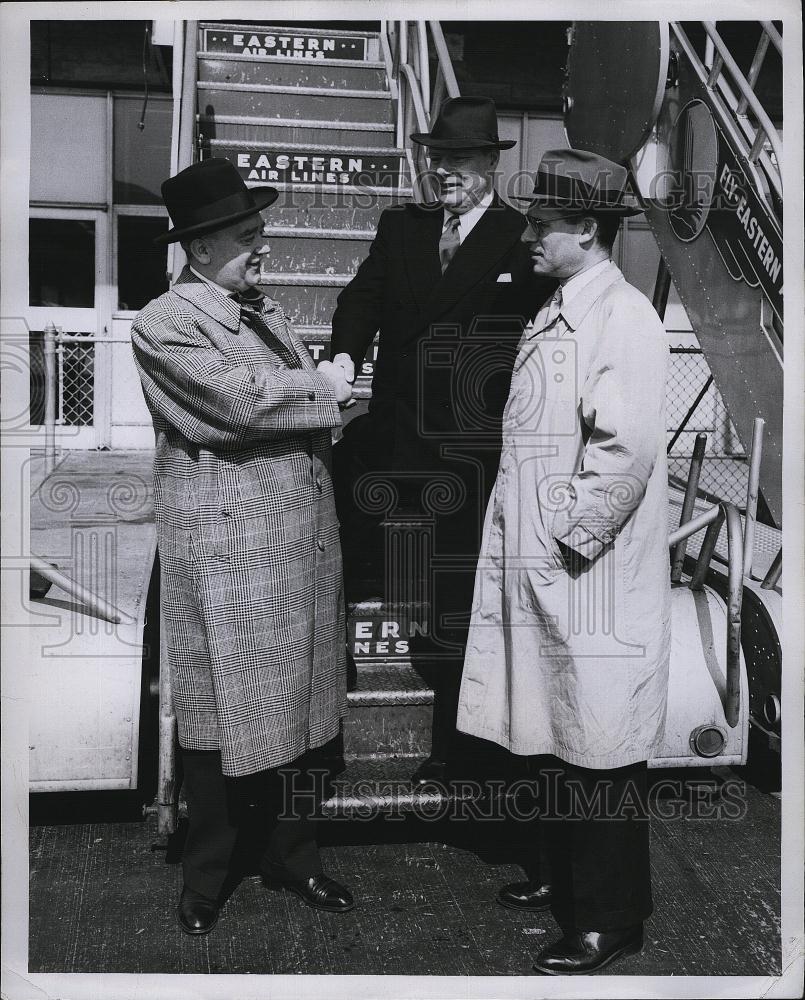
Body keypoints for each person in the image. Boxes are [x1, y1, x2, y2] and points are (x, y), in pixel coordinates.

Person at [456, 148, 671, 974]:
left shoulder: (621, 318)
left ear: (586, 229)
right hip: (554, 570)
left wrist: (559, 546)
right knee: (563, 731)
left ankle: (610, 919)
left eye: (542, 224)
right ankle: (567, 883)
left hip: (589, 574)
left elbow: (623, 453)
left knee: (601, 745)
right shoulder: (564, 308)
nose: (529, 239)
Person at [131, 157, 355, 935]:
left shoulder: (259, 311)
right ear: (198, 249)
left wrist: (325, 390)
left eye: (259, 232)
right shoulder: (165, 323)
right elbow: (240, 404)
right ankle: (206, 878)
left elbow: (276, 402)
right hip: (233, 558)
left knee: (294, 720)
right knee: (219, 721)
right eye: (247, 236)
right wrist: (326, 389)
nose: (263, 247)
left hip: (294, 547)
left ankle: (295, 857)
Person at [330, 96, 555, 788]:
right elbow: (361, 298)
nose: (445, 172)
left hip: (467, 457)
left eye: (459, 160)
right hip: (393, 441)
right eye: (437, 159)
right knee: (327, 525)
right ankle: (321, 708)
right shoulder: (402, 224)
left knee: (453, 610)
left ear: (490, 163)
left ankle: (455, 752)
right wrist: (342, 356)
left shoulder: (522, 238)